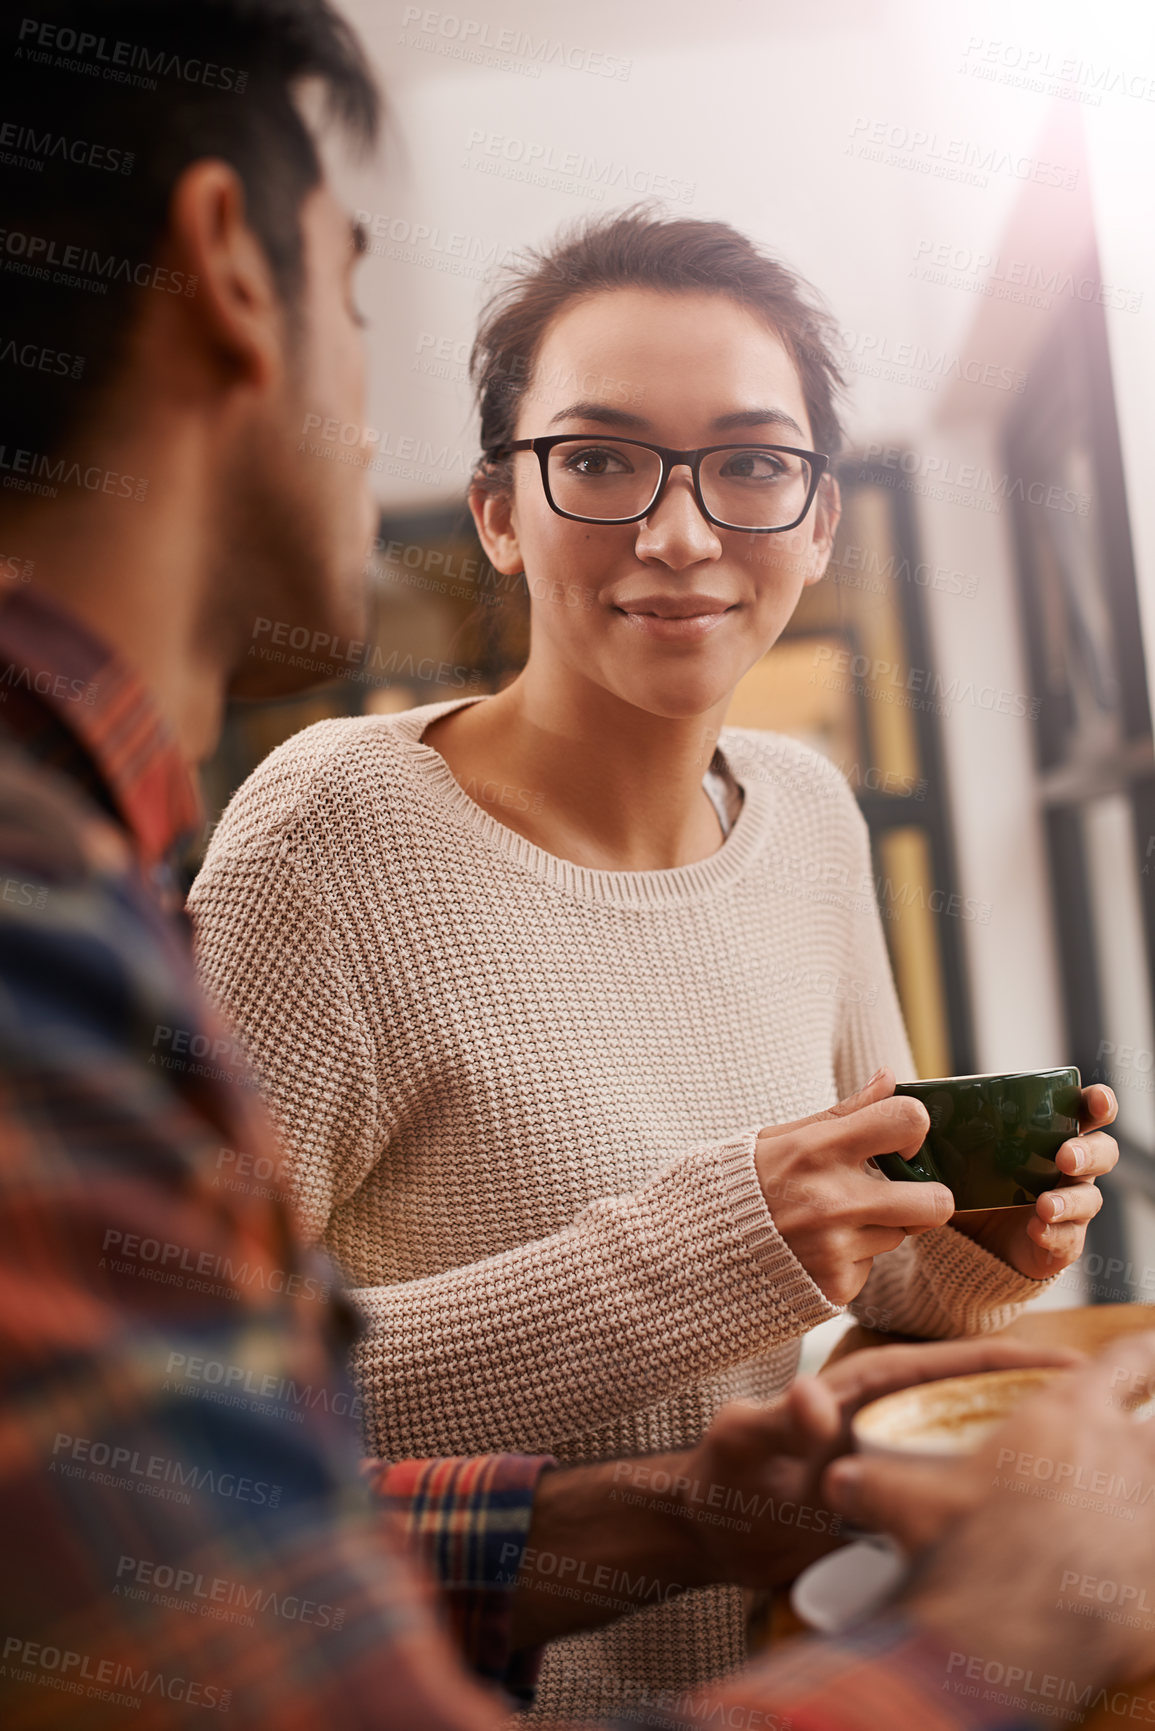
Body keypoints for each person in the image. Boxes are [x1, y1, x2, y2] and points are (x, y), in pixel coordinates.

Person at [2, 4, 1147, 1729]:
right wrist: (720, 1241)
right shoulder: (324, 835)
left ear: (819, 520)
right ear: (496, 511)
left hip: (781, 1653)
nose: (681, 532)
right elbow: (231, 1429)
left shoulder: (816, 814)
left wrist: (950, 1261)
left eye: (752, 467)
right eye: (600, 459)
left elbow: (837, 1338)